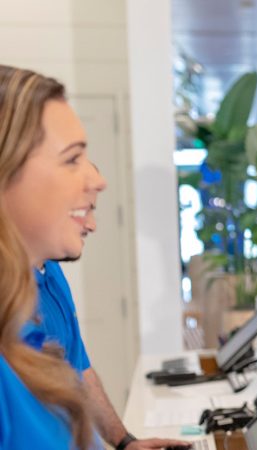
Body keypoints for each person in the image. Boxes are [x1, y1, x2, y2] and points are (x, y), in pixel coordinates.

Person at [1, 64, 189, 449]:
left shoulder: (23, 311)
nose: (97, 181)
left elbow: (77, 373)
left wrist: (124, 443)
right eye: (71, 159)